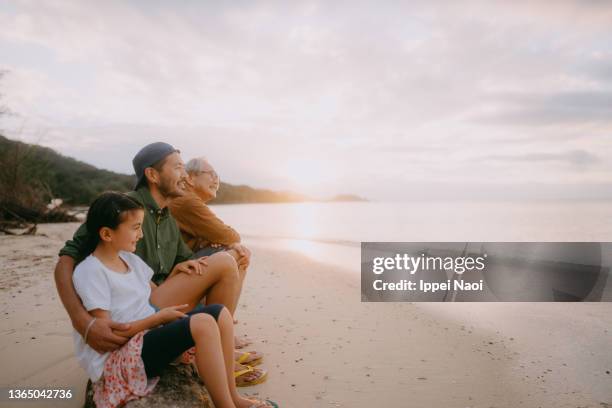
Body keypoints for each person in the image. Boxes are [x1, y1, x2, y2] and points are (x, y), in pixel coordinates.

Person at [54, 142, 264, 385]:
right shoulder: (124, 208)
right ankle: (210, 355)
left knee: (228, 257)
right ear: (152, 175)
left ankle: (215, 349)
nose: (185, 176)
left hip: (158, 296)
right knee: (225, 263)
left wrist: (187, 263)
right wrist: (83, 322)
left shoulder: (167, 216)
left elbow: (184, 259)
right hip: (139, 307)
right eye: (178, 168)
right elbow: (66, 258)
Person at [71, 191, 277, 408]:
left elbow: (148, 295)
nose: (140, 235)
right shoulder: (90, 272)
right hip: (119, 357)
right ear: (106, 234)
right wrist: (158, 318)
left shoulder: (129, 260)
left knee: (219, 313)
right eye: (135, 228)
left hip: (144, 336)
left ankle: (235, 398)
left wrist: (175, 273)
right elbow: (107, 336)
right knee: (204, 324)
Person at [168, 157, 252, 316]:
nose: (216, 180)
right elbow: (229, 235)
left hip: (180, 266)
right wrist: (225, 242)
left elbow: (217, 234)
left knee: (229, 250)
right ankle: (222, 321)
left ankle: (221, 313)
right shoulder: (187, 201)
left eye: (217, 176)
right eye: (211, 174)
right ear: (190, 178)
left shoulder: (186, 198)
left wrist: (215, 240)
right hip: (174, 274)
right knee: (239, 255)